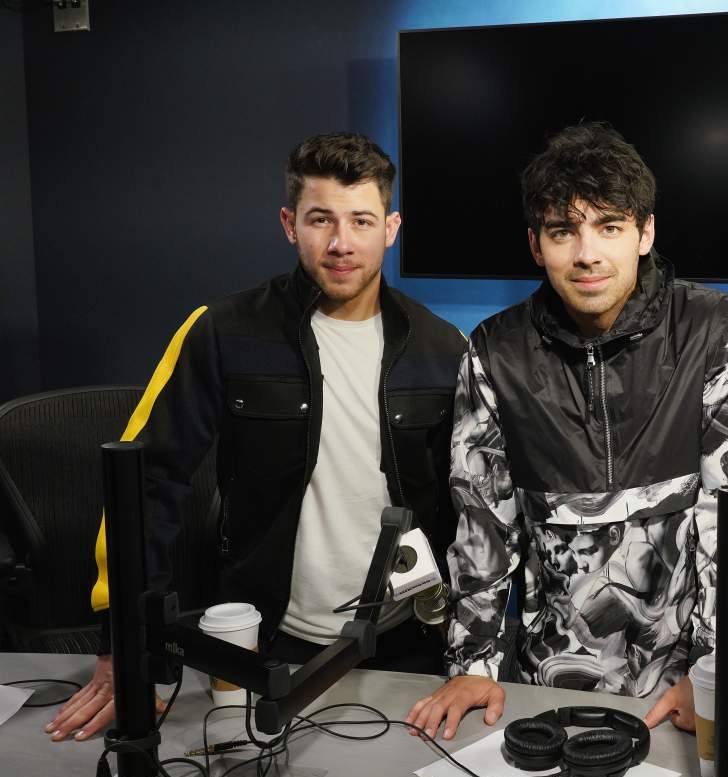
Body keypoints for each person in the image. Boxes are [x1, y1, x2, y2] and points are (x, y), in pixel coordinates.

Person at [44, 132, 466, 743]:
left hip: (405, 643)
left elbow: (473, 515)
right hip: (263, 641)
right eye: (321, 219)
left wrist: (469, 648)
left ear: (390, 227)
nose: (342, 243)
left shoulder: (442, 347)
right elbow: (143, 480)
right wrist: (126, 651)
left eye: (361, 221)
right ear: (290, 224)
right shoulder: (222, 331)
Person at [405, 122, 728, 740]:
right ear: (535, 243)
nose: (587, 254)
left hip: (686, 688)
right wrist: (473, 665)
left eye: (609, 227)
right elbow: (482, 525)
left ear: (645, 232)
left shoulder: (717, 329)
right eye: (563, 232)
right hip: (543, 690)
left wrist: (716, 675)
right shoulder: (493, 351)